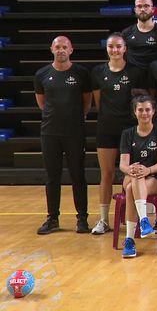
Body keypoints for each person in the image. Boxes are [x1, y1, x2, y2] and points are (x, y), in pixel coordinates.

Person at [34, 36, 92, 235]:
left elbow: (87, 103)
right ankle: (52, 218)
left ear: (71, 50)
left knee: (78, 175)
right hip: (50, 132)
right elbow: (42, 103)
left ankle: (82, 218)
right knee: (52, 176)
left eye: (64, 47)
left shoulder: (81, 73)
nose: (61, 50)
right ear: (51, 49)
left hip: (75, 132)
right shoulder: (42, 74)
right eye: (57, 47)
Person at [90, 32, 145, 235]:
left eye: (118, 46)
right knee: (107, 174)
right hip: (106, 129)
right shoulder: (97, 72)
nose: (115, 50)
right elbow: (98, 103)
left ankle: (135, 218)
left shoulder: (136, 72)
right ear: (107, 49)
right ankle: (104, 219)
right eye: (111, 46)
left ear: (125, 49)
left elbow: (141, 102)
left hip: (130, 131)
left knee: (133, 173)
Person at [119, 91, 157, 257]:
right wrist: (131, 169)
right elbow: (122, 164)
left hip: (155, 176)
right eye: (140, 110)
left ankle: (129, 240)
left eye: (147, 109)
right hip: (132, 175)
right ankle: (144, 220)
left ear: (153, 111)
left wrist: (147, 170)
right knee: (135, 179)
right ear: (135, 112)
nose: (144, 113)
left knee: (131, 189)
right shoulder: (128, 133)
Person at [122, 0, 157, 70]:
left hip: (156, 76)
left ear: (153, 9)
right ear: (135, 10)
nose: (142, 9)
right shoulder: (126, 33)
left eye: (146, 6)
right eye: (139, 6)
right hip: (134, 77)